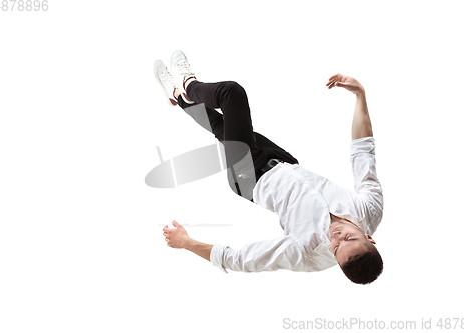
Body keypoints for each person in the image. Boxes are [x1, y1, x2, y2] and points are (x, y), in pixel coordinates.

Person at [156, 51, 384, 284]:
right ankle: (178, 96)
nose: (337, 237)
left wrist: (186, 242)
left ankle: (189, 84)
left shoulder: (305, 254)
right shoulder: (371, 210)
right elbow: (363, 153)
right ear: (368, 237)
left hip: (250, 178)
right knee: (222, 127)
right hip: (284, 161)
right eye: (349, 238)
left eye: (336, 248)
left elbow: (241, 259)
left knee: (231, 94)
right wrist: (360, 95)